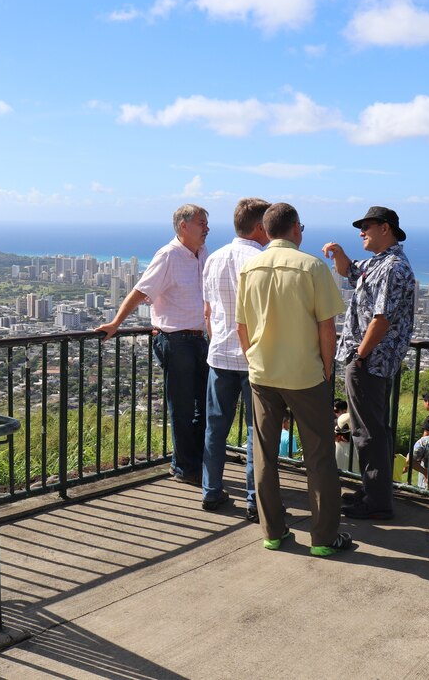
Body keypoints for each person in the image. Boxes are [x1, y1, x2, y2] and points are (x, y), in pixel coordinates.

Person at [236, 203, 352, 556]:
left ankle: (273, 532)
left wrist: (253, 360)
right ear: (294, 229)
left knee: (264, 454)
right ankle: (324, 538)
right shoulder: (311, 267)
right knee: (318, 457)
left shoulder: (249, 267)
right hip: (305, 375)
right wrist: (326, 369)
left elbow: (241, 326)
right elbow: (327, 327)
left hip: (263, 374)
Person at [98, 205, 210, 484]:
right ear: (183, 226)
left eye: (207, 223)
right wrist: (116, 324)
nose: (207, 228)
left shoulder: (203, 254)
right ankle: (185, 467)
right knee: (183, 407)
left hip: (200, 339)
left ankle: (195, 461)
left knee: (204, 407)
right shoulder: (169, 255)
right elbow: (140, 291)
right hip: (175, 339)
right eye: (201, 223)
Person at [322, 206, 416, 521]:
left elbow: (382, 318)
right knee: (369, 427)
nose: (362, 231)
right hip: (369, 359)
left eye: (367, 226)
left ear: (385, 228)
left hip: (370, 362)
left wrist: (360, 355)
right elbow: (350, 271)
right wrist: (339, 254)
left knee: (367, 431)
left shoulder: (392, 268)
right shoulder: (377, 264)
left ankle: (377, 502)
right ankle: (373, 490)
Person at [200, 199, 271, 517]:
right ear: (260, 227)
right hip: (255, 360)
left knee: (215, 429)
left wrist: (218, 344)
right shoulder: (264, 260)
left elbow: (208, 312)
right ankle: (255, 501)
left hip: (219, 357)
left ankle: (211, 491)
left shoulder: (213, 258)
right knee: (255, 431)